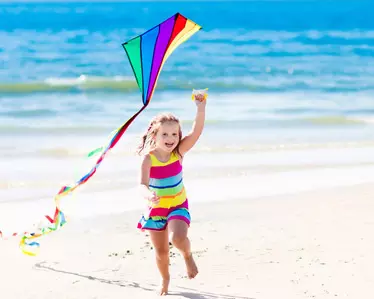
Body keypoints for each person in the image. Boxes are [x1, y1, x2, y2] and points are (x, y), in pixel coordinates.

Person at [136, 92, 207, 295]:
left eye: (174, 134)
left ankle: (187, 254)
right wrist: (148, 195)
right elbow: (141, 185)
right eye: (165, 134)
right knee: (161, 251)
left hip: (177, 206)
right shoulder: (148, 159)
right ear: (154, 136)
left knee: (177, 238)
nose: (170, 139)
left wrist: (200, 108)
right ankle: (165, 280)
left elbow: (196, 132)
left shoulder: (178, 153)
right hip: (155, 209)